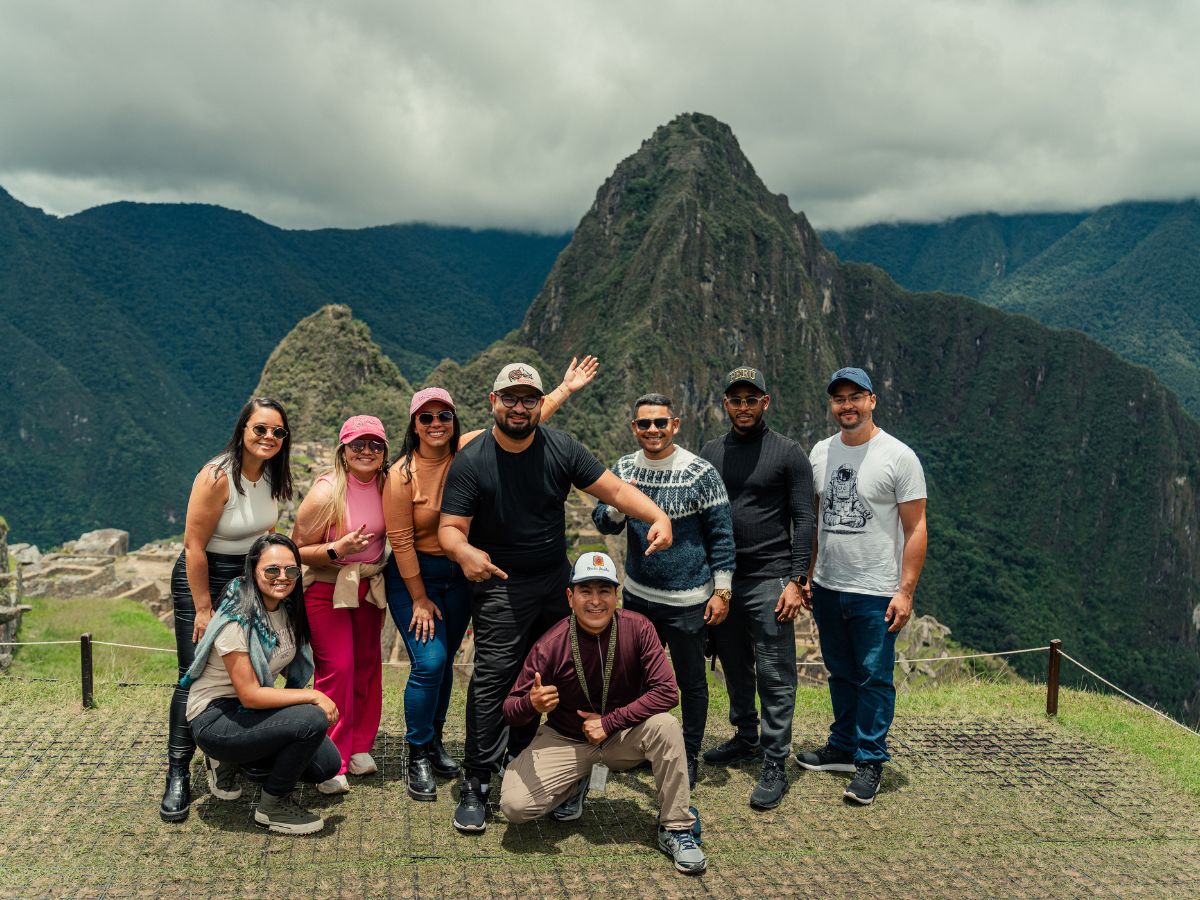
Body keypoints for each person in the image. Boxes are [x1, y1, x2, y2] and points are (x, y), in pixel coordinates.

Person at [439, 361, 674, 834]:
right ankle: (477, 781)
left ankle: (527, 760)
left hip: (553, 581)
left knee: (554, 672)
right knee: (493, 680)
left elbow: (613, 489)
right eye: (510, 398)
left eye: (529, 399)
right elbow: (450, 528)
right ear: (493, 402)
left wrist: (657, 516)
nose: (519, 407)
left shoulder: (560, 447)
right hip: (500, 582)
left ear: (539, 403)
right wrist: (464, 552)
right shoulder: (473, 460)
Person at [383, 359, 597, 802]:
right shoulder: (401, 475)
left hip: (465, 573)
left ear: (455, 420)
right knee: (430, 662)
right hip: (418, 573)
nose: (437, 423)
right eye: (427, 417)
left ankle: (441, 742)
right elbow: (402, 541)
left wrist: (565, 388)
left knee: (448, 667)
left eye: (444, 416)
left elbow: (523, 418)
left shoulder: (469, 448)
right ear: (414, 424)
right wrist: (419, 597)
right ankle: (418, 749)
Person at [499, 552, 706, 875]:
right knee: (514, 805)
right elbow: (510, 710)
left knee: (666, 726)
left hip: (623, 736)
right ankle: (574, 783)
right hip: (566, 738)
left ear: (616, 595)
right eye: (586, 591)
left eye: (604, 591)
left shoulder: (638, 628)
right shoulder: (551, 643)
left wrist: (610, 722)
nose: (595, 601)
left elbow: (668, 691)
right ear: (570, 597)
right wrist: (532, 704)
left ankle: (676, 826)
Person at [797, 367, 927, 805]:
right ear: (831, 405)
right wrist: (809, 575)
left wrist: (905, 591)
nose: (846, 406)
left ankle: (870, 761)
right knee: (841, 672)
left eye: (855, 397)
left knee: (873, 677)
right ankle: (843, 745)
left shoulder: (898, 456)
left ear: (872, 400)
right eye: (839, 399)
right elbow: (813, 520)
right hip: (829, 585)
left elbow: (917, 528)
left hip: (876, 589)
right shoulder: (820, 453)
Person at [160, 397, 294, 822]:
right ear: (243, 430)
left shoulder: (273, 474)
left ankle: (229, 753)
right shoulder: (217, 477)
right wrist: (203, 608)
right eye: (260, 429)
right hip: (204, 576)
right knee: (194, 671)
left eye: (276, 431)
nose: (268, 437)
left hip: (247, 578)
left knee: (248, 667)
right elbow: (193, 546)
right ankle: (178, 771)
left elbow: (267, 532)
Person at [592, 392, 735, 789]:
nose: (652, 430)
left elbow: (722, 537)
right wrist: (620, 505)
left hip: (688, 601)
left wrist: (721, 591)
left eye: (660, 423)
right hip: (638, 597)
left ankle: (687, 753)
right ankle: (640, 747)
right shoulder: (622, 468)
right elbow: (603, 521)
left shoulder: (699, 473)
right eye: (644, 424)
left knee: (690, 682)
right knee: (634, 679)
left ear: (675, 424)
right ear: (633, 428)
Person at [700, 366, 815, 811]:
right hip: (724, 579)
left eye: (751, 399)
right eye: (735, 399)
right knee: (733, 664)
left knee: (774, 670)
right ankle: (746, 736)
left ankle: (774, 758)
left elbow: (804, 519)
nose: (743, 407)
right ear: (725, 404)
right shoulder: (711, 452)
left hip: (770, 577)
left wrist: (796, 581)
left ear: (766, 402)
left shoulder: (788, 453)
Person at [182, 533, 340, 835]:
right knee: (311, 718)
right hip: (215, 717)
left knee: (326, 765)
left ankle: (243, 760)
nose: (283, 577)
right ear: (253, 570)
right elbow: (251, 695)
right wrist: (312, 696)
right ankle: (272, 806)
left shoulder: (284, 611)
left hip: (247, 713)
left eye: (291, 570)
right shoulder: (237, 620)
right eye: (272, 570)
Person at [292, 415, 390, 795]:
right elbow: (297, 549)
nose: (366, 451)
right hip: (327, 588)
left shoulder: (388, 485)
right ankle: (331, 757)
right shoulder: (325, 492)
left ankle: (361, 744)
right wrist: (338, 549)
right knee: (338, 669)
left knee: (367, 665)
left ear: (384, 451)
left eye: (375, 445)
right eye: (358, 445)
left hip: (368, 587)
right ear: (344, 450)